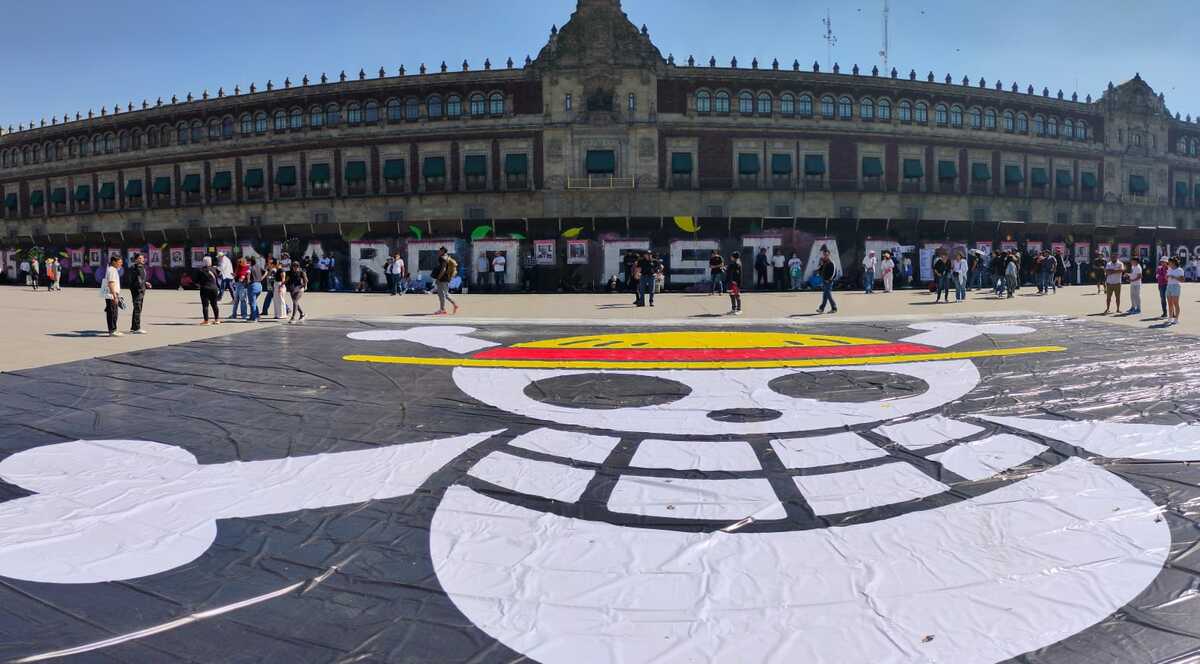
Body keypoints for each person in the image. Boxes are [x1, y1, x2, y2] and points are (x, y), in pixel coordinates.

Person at [126, 253, 151, 334]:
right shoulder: (135, 268)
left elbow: (140, 279)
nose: (141, 259)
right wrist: (139, 287)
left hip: (140, 290)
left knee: (137, 309)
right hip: (137, 290)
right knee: (137, 309)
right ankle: (137, 328)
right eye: (139, 258)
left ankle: (134, 327)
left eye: (142, 258)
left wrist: (145, 283)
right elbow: (135, 280)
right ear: (136, 259)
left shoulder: (141, 267)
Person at [432, 246, 459, 315]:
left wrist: (438, 279)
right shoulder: (448, 257)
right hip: (447, 278)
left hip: (442, 278)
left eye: (440, 250)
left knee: (441, 294)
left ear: (443, 251)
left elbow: (443, 269)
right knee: (446, 294)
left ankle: (442, 309)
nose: (439, 252)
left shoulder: (442, 258)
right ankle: (455, 304)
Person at [102, 255, 123, 336]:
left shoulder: (112, 269)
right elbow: (111, 283)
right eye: (119, 262)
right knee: (112, 313)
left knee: (113, 312)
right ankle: (112, 330)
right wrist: (114, 295)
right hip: (111, 295)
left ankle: (113, 329)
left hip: (112, 294)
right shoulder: (112, 270)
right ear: (114, 262)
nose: (121, 264)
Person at [196, 256, 221, 325]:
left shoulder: (200, 270)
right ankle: (217, 320)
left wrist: (199, 284)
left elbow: (196, 280)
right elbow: (219, 275)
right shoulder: (214, 269)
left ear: (203, 262)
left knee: (205, 305)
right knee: (214, 304)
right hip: (214, 288)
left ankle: (206, 321)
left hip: (205, 288)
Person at [285, 258, 308, 323]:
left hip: (300, 288)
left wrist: (305, 286)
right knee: (295, 302)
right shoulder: (290, 272)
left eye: (297, 266)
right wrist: (283, 284)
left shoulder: (301, 272)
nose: (295, 267)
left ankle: (293, 318)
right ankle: (302, 314)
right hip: (292, 288)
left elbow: (306, 280)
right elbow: (287, 280)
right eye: (294, 266)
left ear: (299, 266)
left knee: (295, 301)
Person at [1166, 257, 1184, 325]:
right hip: (1169, 286)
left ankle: (1176, 319)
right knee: (1170, 304)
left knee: (1175, 303)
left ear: (1173, 263)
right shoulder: (1169, 269)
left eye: (1169, 262)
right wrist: (1167, 277)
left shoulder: (1180, 270)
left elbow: (1182, 280)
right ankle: (1170, 318)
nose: (1168, 263)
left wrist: (1174, 277)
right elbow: (1166, 277)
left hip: (1176, 286)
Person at [246, 257, 264, 321]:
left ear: (251, 262)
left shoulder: (250, 267)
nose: (247, 262)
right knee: (254, 302)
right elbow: (266, 271)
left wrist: (248, 281)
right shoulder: (258, 266)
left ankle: (254, 318)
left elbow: (248, 273)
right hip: (259, 285)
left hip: (253, 286)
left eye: (248, 261)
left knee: (252, 303)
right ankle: (257, 316)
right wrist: (262, 278)